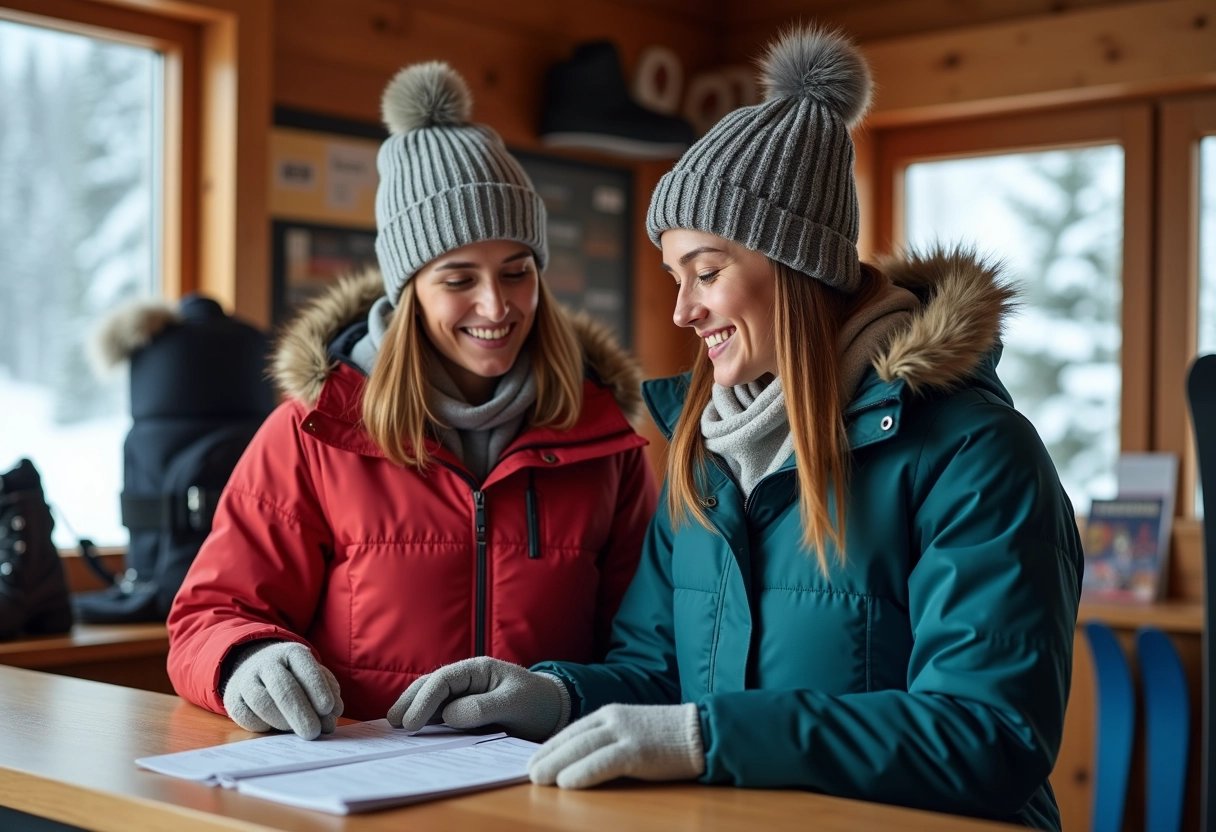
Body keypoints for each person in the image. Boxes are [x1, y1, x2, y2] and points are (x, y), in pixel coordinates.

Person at [387, 27, 1083, 831]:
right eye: (676, 278)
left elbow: (986, 737)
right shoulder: (703, 450)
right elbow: (657, 674)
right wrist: (556, 695)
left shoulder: (974, 452)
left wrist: (707, 736)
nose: (684, 311)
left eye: (708, 272)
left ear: (798, 268)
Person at [166, 62, 656, 742]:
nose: (496, 305)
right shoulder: (311, 434)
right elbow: (210, 614)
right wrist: (245, 658)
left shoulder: (606, 443)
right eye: (459, 279)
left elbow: (648, 651)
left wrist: (559, 697)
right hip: (356, 783)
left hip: (547, 784)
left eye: (518, 272)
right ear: (408, 292)